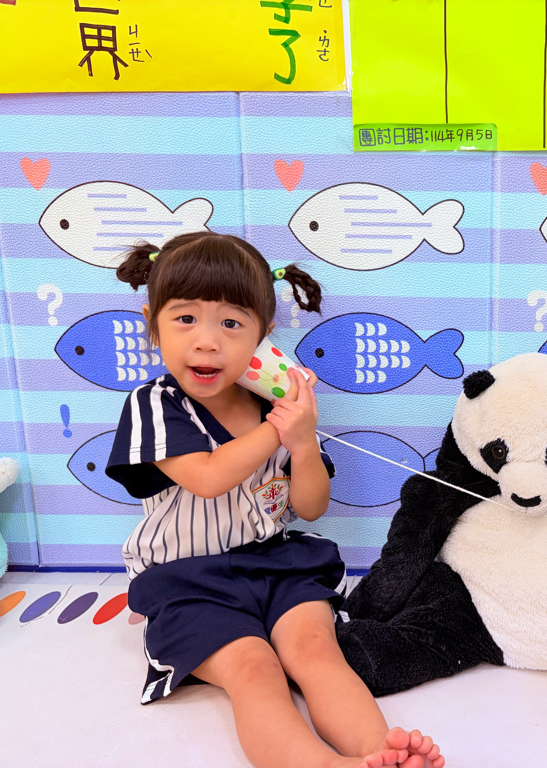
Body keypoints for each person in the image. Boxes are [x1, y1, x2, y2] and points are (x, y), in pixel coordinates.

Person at [106, 231, 443, 768]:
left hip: (277, 565)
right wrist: (280, 429)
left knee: (317, 652)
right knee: (255, 666)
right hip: (188, 581)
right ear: (153, 324)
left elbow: (310, 507)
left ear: (264, 336)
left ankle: (379, 751)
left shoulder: (273, 407)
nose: (207, 341)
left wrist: (304, 444)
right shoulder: (155, 404)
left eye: (231, 324)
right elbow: (208, 478)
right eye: (185, 318)